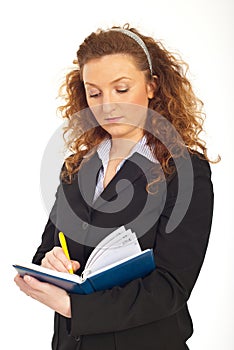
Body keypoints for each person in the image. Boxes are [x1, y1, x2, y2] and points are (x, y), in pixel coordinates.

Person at [14, 24, 218, 350]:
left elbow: (170, 288)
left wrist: (73, 307)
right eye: (94, 93)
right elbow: (46, 249)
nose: (107, 105)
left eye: (121, 89)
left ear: (152, 86)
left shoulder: (184, 170)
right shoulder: (77, 168)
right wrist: (49, 263)